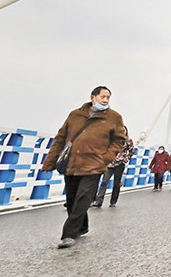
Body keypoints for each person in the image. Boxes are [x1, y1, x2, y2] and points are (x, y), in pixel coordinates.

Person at [41, 86, 126, 249]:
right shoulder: (75, 115)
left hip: (94, 165)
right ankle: (82, 227)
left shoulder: (114, 117)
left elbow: (119, 141)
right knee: (72, 200)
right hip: (72, 164)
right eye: (102, 97)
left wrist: (105, 158)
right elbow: (60, 138)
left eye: (108, 97)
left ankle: (68, 234)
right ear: (93, 97)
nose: (105, 100)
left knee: (84, 198)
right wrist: (50, 161)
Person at [92, 126, 135, 208]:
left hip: (120, 164)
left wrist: (126, 158)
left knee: (116, 183)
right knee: (104, 182)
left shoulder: (128, 140)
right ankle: (98, 201)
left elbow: (131, 150)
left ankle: (113, 201)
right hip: (110, 163)